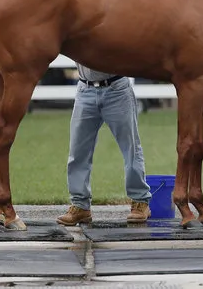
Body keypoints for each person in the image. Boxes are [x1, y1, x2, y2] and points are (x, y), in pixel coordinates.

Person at [56, 65, 152, 225]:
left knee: (131, 148)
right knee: (77, 151)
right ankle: (80, 206)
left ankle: (140, 202)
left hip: (116, 88)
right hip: (85, 88)